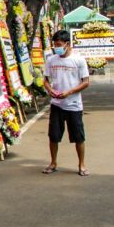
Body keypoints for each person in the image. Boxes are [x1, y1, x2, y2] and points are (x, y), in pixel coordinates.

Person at [42, 30, 90, 176]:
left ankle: (81, 165)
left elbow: (86, 82)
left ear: (67, 44)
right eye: (54, 45)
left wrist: (69, 92)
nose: (56, 47)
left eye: (59, 44)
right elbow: (45, 80)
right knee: (53, 136)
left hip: (74, 105)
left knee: (78, 137)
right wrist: (50, 90)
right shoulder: (51, 60)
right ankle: (53, 162)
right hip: (56, 104)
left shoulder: (78, 60)